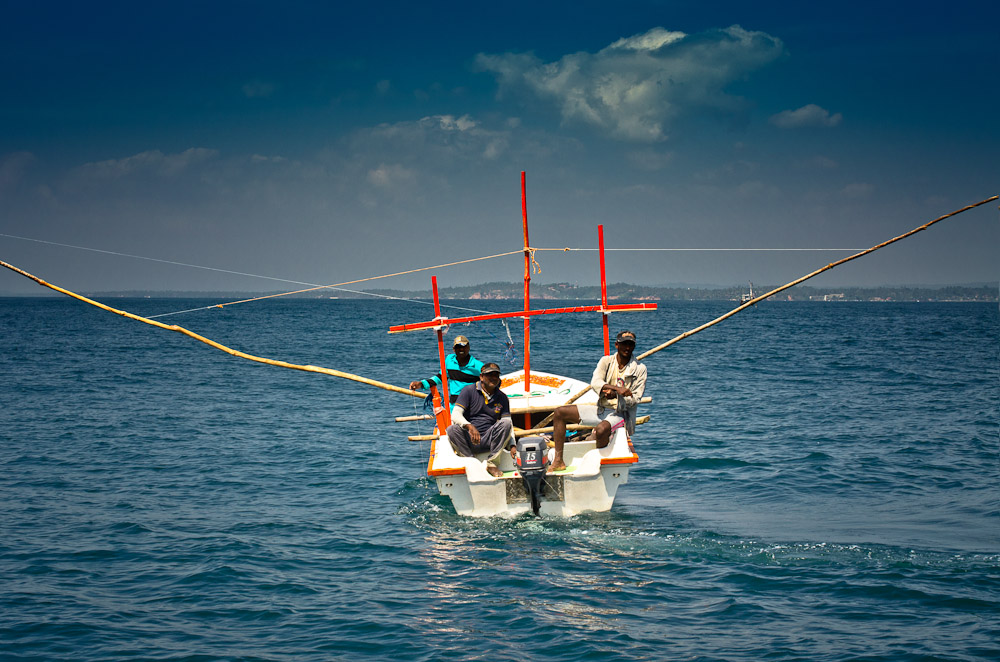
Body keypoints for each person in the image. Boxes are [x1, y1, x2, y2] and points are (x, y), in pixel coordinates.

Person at [548, 330, 647, 473]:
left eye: (630, 345)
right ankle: (558, 460)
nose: (627, 348)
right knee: (559, 413)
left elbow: (635, 398)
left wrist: (617, 396)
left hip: (620, 414)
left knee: (601, 429)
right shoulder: (606, 361)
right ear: (616, 345)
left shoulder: (640, 369)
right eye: (624, 344)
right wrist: (615, 389)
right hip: (600, 410)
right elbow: (596, 382)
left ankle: (599, 463)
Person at [446, 362, 513, 478]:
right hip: (470, 437)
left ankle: (492, 463)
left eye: (496, 375)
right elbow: (456, 414)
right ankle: (470, 461)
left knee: (506, 423)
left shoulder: (502, 397)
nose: (493, 378)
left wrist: (512, 445)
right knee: (452, 429)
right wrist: (469, 426)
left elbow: (508, 423)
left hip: (489, 438)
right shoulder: (468, 391)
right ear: (481, 377)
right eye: (489, 375)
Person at [409, 335, 484, 404]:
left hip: (472, 404)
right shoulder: (449, 360)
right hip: (454, 405)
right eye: (458, 347)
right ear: (454, 349)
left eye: (464, 346)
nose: (461, 349)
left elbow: (489, 385)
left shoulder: (479, 366)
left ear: (468, 347)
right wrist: (421, 384)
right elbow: (440, 377)